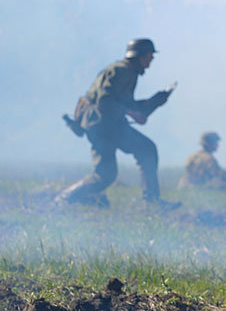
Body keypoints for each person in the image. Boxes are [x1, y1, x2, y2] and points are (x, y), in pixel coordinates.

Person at [56, 38, 178, 208]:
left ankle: (152, 202)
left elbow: (123, 103)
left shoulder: (128, 72)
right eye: (149, 56)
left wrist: (154, 102)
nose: (151, 60)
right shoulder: (121, 71)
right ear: (140, 55)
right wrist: (132, 113)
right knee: (106, 174)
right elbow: (104, 102)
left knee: (143, 151)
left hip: (109, 125)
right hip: (102, 126)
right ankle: (65, 198)